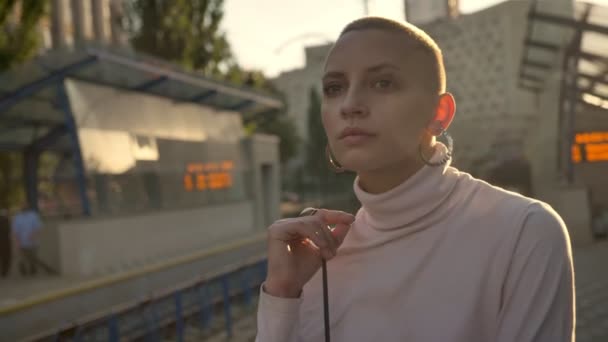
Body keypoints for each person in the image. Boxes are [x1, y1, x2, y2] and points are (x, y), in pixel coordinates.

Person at [255, 17, 574, 342]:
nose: (350, 105)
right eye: (334, 88)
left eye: (383, 83)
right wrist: (282, 294)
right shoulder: (315, 258)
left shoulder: (523, 232)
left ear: (439, 114)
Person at [11, 203, 56, 276]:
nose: (24, 208)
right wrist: (17, 242)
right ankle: (24, 273)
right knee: (23, 259)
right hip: (22, 243)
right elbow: (15, 231)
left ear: (28, 207)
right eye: (22, 207)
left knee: (34, 259)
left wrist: (33, 235)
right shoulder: (17, 218)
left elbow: (39, 227)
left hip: (33, 242)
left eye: (25, 206)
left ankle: (34, 272)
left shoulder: (33, 216)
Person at [0, 209, 11, 278]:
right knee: (6, 257)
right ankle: (4, 272)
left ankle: (4, 272)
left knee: (5, 257)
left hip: (5, 241)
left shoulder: (7, 220)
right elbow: (9, 231)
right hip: (5, 241)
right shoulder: (7, 220)